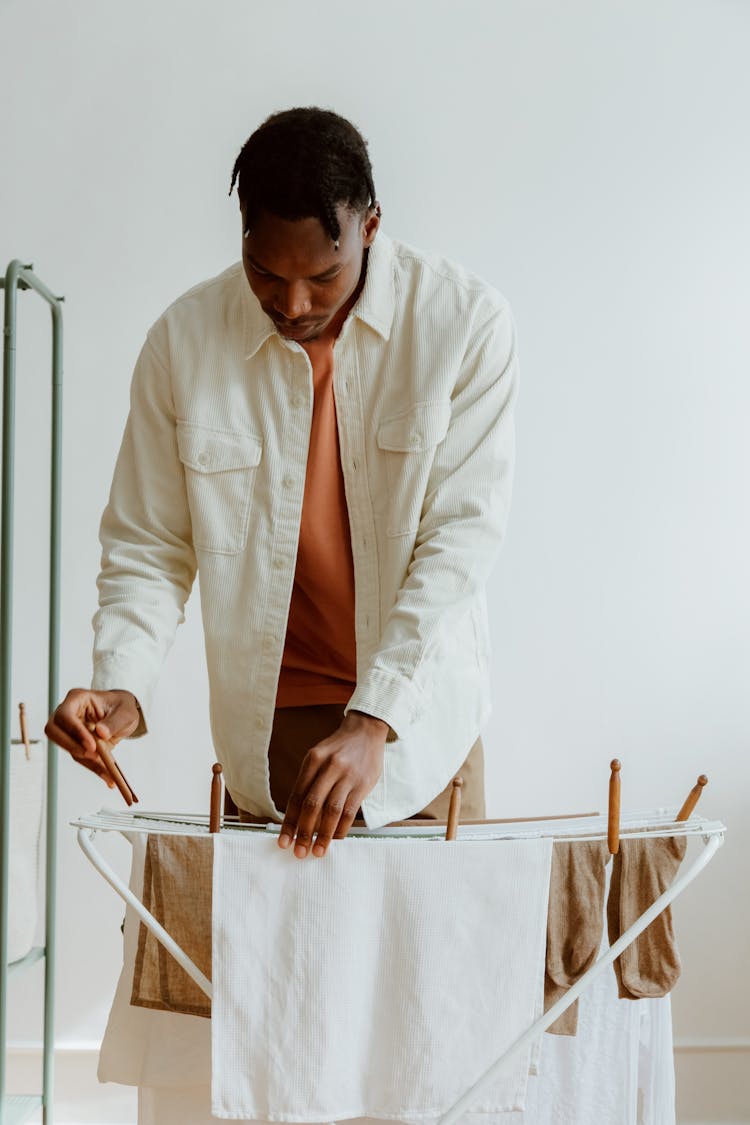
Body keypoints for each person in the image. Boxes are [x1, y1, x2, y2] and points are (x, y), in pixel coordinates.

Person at [45, 106, 518, 856]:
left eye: (322, 276)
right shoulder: (184, 341)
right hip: (267, 731)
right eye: (266, 272)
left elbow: (459, 542)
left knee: (431, 971)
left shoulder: (465, 325)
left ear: (371, 226)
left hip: (416, 729)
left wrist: (374, 722)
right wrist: (122, 684)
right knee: (266, 973)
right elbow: (149, 541)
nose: (292, 305)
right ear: (241, 237)